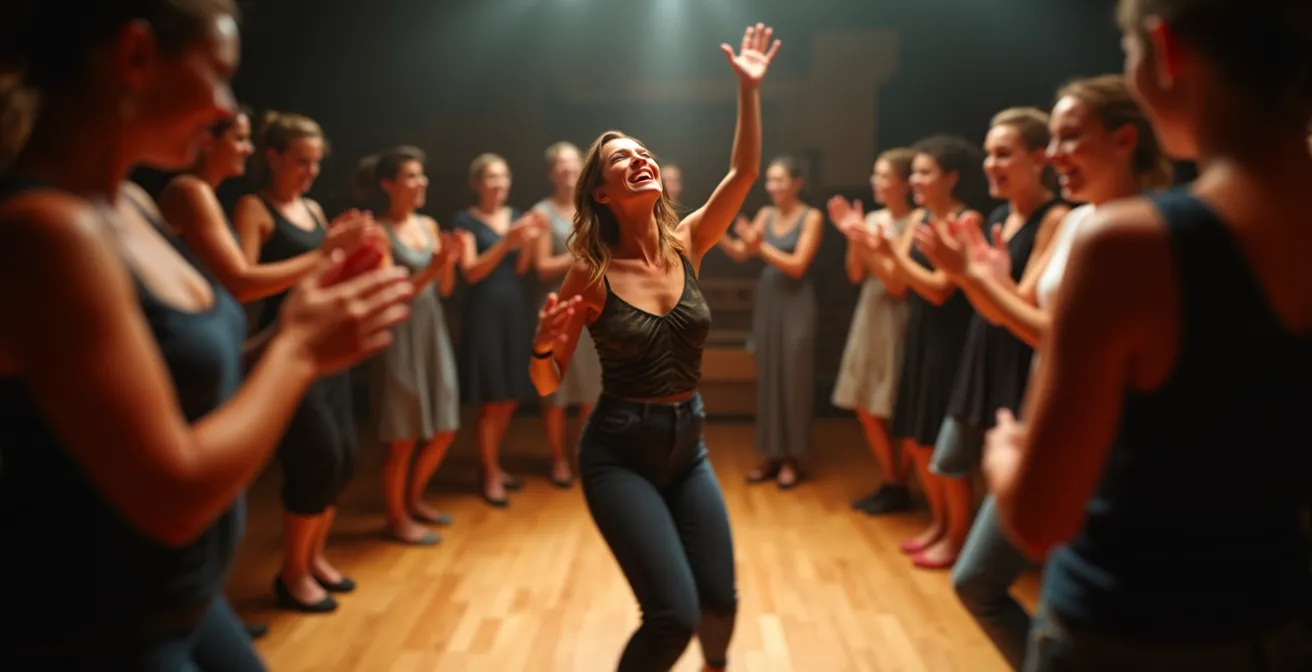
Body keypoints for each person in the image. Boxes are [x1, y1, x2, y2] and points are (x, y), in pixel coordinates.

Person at [0, 1, 412, 667]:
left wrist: (301, 329)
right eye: (218, 76)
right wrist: (299, 348)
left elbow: (186, 384)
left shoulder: (129, 204)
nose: (226, 108)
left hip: (181, 599)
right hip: (98, 626)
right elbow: (174, 498)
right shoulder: (47, 230)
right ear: (135, 58)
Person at [987, 1, 1312, 669]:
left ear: (1165, 50)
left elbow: (1038, 518)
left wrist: (1005, 453)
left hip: (1127, 633)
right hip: (1280, 626)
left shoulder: (1131, 243)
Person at [530, 23, 779, 672]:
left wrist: (748, 92)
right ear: (603, 195)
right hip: (619, 450)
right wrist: (543, 349)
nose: (641, 160)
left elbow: (745, 171)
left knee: (719, 601)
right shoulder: (590, 270)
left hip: (686, 443)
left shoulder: (689, 242)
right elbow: (546, 385)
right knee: (672, 616)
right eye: (622, 160)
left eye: (645, 153)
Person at [232, 111, 364, 613]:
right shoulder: (254, 207)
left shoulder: (310, 207)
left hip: (324, 350)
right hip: (283, 349)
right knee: (315, 459)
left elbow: (326, 272)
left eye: (315, 162)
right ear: (272, 157)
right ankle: (291, 575)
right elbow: (245, 278)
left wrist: (353, 251)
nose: (310, 171)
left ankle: (313, 559)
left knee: (344, 457)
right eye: (300, 161)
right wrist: (326, 253)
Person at [355, 146, 464, 545]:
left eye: (422, 176)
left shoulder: (430, 225)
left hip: (431, 328)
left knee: (444, 427)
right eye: (412, 176)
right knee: (401, 436)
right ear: (388, 184)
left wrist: (447, 262)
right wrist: (434, 267)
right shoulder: (377, 232)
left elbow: (446, 289)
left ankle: (414, 499)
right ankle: (395, 516)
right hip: (398, 333)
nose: (422, 183)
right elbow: (397, 294)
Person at [718, 154, 823, 489]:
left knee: (794, 380)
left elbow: (797, 265)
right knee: (768, 378)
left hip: (797, 303)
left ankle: (792, 458)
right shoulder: (765, 214)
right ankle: (771, 455)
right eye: (770, 180)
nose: (773, 186)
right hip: (769, 301)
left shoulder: (812, 217)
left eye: (780, 180)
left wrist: (760, 246)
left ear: (798, 183)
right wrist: (712, 228)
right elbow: (739, 252)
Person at [452, 153, 548, 506]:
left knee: (509, 395)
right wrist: (507, 241)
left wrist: (529, 240)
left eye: (504, 176)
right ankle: (489, 471)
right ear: (476, 183)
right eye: (492, 177)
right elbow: (472, 272)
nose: (500, 184)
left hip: (513, 310)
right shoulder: (464, 221)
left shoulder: (516, 216)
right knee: (491, 399)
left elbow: (521, 269)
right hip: (484, 311)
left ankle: (493, 464)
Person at [827, 148, 918, 515]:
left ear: (904, 182)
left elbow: (898, 283)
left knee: (895, 403)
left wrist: (864, 240)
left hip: (899, 317)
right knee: (866, 405)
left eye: (883, 176)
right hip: (870, 311)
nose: (875, 182)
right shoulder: (875, 217)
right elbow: (854, 274)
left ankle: (898, 485)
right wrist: (854, 236)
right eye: (875, 175)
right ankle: (894, 479)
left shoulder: (915, 221)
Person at [533, 141, 599, 487]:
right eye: (562, 165)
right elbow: (541, 267)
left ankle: (581, 455)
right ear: (551, 172)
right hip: (557, 310)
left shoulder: (592, 208)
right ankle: (557, 460)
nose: (569, 170)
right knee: (555, 392)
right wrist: (575, 257)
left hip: (589, 309)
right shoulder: (542, 213)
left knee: (590, 390)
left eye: (574, 163)